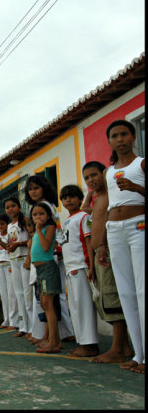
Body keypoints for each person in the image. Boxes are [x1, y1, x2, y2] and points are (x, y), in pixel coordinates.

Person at [101, 119, 145, 373]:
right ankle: (138, 354)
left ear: (132, 137)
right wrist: (105, 244)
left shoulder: (141, 164)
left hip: (138, 226)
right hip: (114, 231)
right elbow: (109, 206)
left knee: (142, 290)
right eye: (115, 135)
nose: (120, 139)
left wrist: (136, 187)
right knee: (126, 294)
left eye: (124, 134)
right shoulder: (109, 172)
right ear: (110, 141)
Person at [82, 161, 133, 364]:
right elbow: (85, 207)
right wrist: (90, 192)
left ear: (105, 174)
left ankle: (117, 348)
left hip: (107, 250)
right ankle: (126, 345)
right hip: (98, 254)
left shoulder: (111, 194)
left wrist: (103, 245)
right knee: (106, 298)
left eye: (94, 175)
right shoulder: (97, 198)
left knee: (112, 298)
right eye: (86, 178)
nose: (91, 180)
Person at [24, 175, 75, 345]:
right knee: (49, 298)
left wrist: (57, 247)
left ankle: (50, 335)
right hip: (49, 255)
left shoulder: (45, 208)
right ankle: (53, 333)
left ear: (44, 188)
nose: (33, 192)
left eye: (36, 188)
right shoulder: (48, 206)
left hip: (50, 257)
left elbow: (53, 234)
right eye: (30, 189)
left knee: (47, 299)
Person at [59, 184, 99, 357]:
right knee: (74, 307)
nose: (68, 200)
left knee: (84, 306)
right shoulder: (67, 220)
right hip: (70, 267)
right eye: (64, 197)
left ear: (79, 199)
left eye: (72, 196)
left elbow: (88, 242)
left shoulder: (84, 217)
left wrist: (91, 265)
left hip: (81, 266)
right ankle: (82, 341)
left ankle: (90, 344)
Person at [29, 203, 63, 354]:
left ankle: (55, 342)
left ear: (48, 216)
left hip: (48, 268)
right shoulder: (38, 231)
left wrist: (37, 230)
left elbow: (45, 247)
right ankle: (51, 339)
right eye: (35, 215)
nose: (38, 217)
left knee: (48, 304)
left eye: (41, 214)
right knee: (44, 303)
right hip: (40, 270)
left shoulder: (49, 228)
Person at [4, 197, 30, 338]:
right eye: (7, 207)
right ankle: (23, 325)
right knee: (18, 293)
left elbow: (32, 238)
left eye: (13, 206)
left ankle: (32, 327)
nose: (11, 209)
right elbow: (11, 244)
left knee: (27, 293)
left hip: (25, 258)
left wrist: (19, 244)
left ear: (19, 206)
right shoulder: (9, 226)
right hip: (14, 260)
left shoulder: (25, 221)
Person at [0, 214, 18, 330]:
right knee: (3, 293)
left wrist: (1, 243)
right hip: (0, 264)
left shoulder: (10, 233)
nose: (0, 226)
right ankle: (6, 319)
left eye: (2, 224)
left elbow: (9, 247)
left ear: (7, 224)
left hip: (9, 263)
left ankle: (14, 320)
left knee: (11, 292)